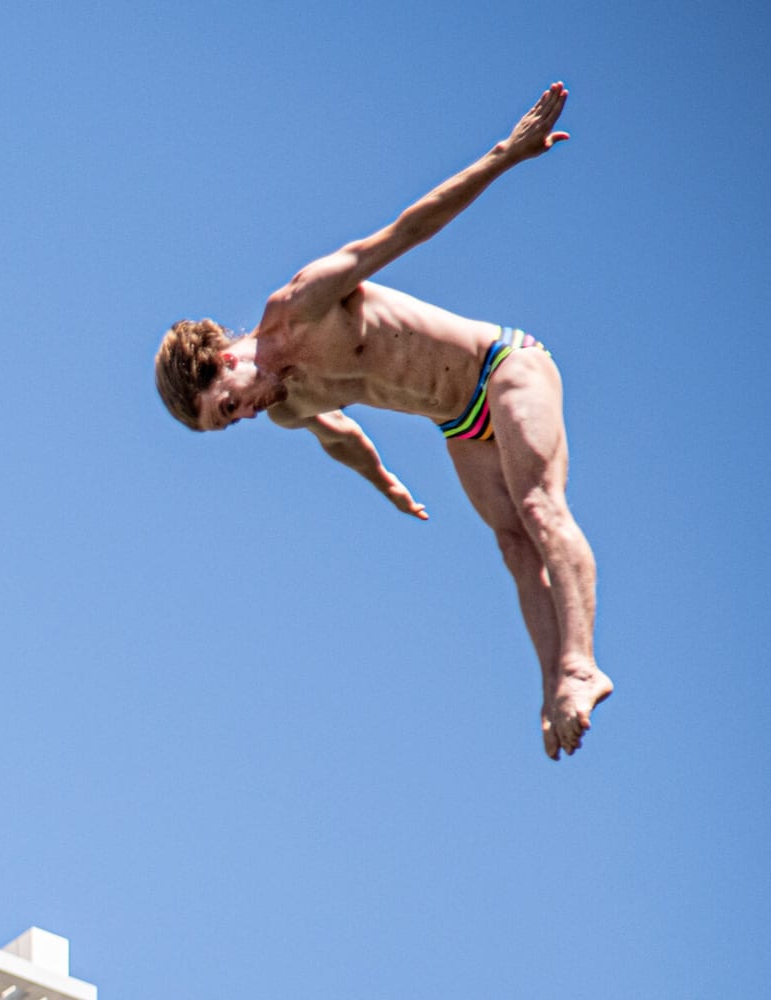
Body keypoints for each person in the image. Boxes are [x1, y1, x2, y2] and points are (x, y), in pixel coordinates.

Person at [154, 83, 612, 760]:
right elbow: (340, 438)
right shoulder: (288, 408)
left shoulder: (303, 302)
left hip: (504, 367)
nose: (245, 414)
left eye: (229, 405)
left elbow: (410, 226)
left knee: (541, 510)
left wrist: (505, 156)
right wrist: (386, 485)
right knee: (514, 547)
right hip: (460, 421)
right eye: (231, 425)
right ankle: (553, 694)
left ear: (224, 359)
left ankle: (581, 665)